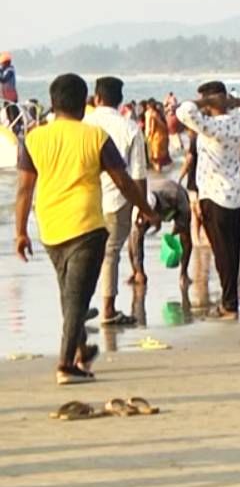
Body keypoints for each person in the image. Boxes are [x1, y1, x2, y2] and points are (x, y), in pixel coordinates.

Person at [14, 73, 157, 384]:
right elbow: (123, 181)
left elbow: (24, 190)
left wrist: (21, 231)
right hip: (87, 227)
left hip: (50, 229)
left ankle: (81, 349)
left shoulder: (34, 139)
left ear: (52, 103)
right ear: (85, 103)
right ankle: (66, 365)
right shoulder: (95, 137)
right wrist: (146, 209)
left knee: (70, 295)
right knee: (76, 299)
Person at [177, 82, 240, 319]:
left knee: (222, 254)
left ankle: (229, 305)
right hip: (233, 194)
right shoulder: (238, 122)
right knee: (232, 251)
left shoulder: (210, 126)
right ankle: (229, 301)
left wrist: (208, 102)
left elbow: (184, 111)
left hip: (213, 195)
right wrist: (232, 101)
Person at [83, 76, 149, 325]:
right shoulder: (130, 127)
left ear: (96, 98)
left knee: (85, 255)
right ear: (120, 100)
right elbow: (139, 173)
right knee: (110, 254)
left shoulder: (84, 123)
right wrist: (143, 207)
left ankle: (81, 307)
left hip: (86, 197)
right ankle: (108, 308)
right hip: (118, 199)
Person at [128, 178, 194, 287]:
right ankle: (135, 272)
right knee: (134, 236)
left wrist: (173, 234)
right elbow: (135, 241)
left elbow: (183, 222)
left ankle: (184, 274)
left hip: (177, 202)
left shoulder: (175, 195)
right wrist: (139, 271)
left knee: (185, 235)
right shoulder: (137, 210)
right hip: (154, 203)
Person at [144, 100, 172, 170]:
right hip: (163, 137)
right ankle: (159, 174)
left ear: (149, 106)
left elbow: (152, 127)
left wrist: (148, 137)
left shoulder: (151, 114)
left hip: (156, 138)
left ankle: (158, 175)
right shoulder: (159, 114)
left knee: (156, 159)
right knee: (160, 159)